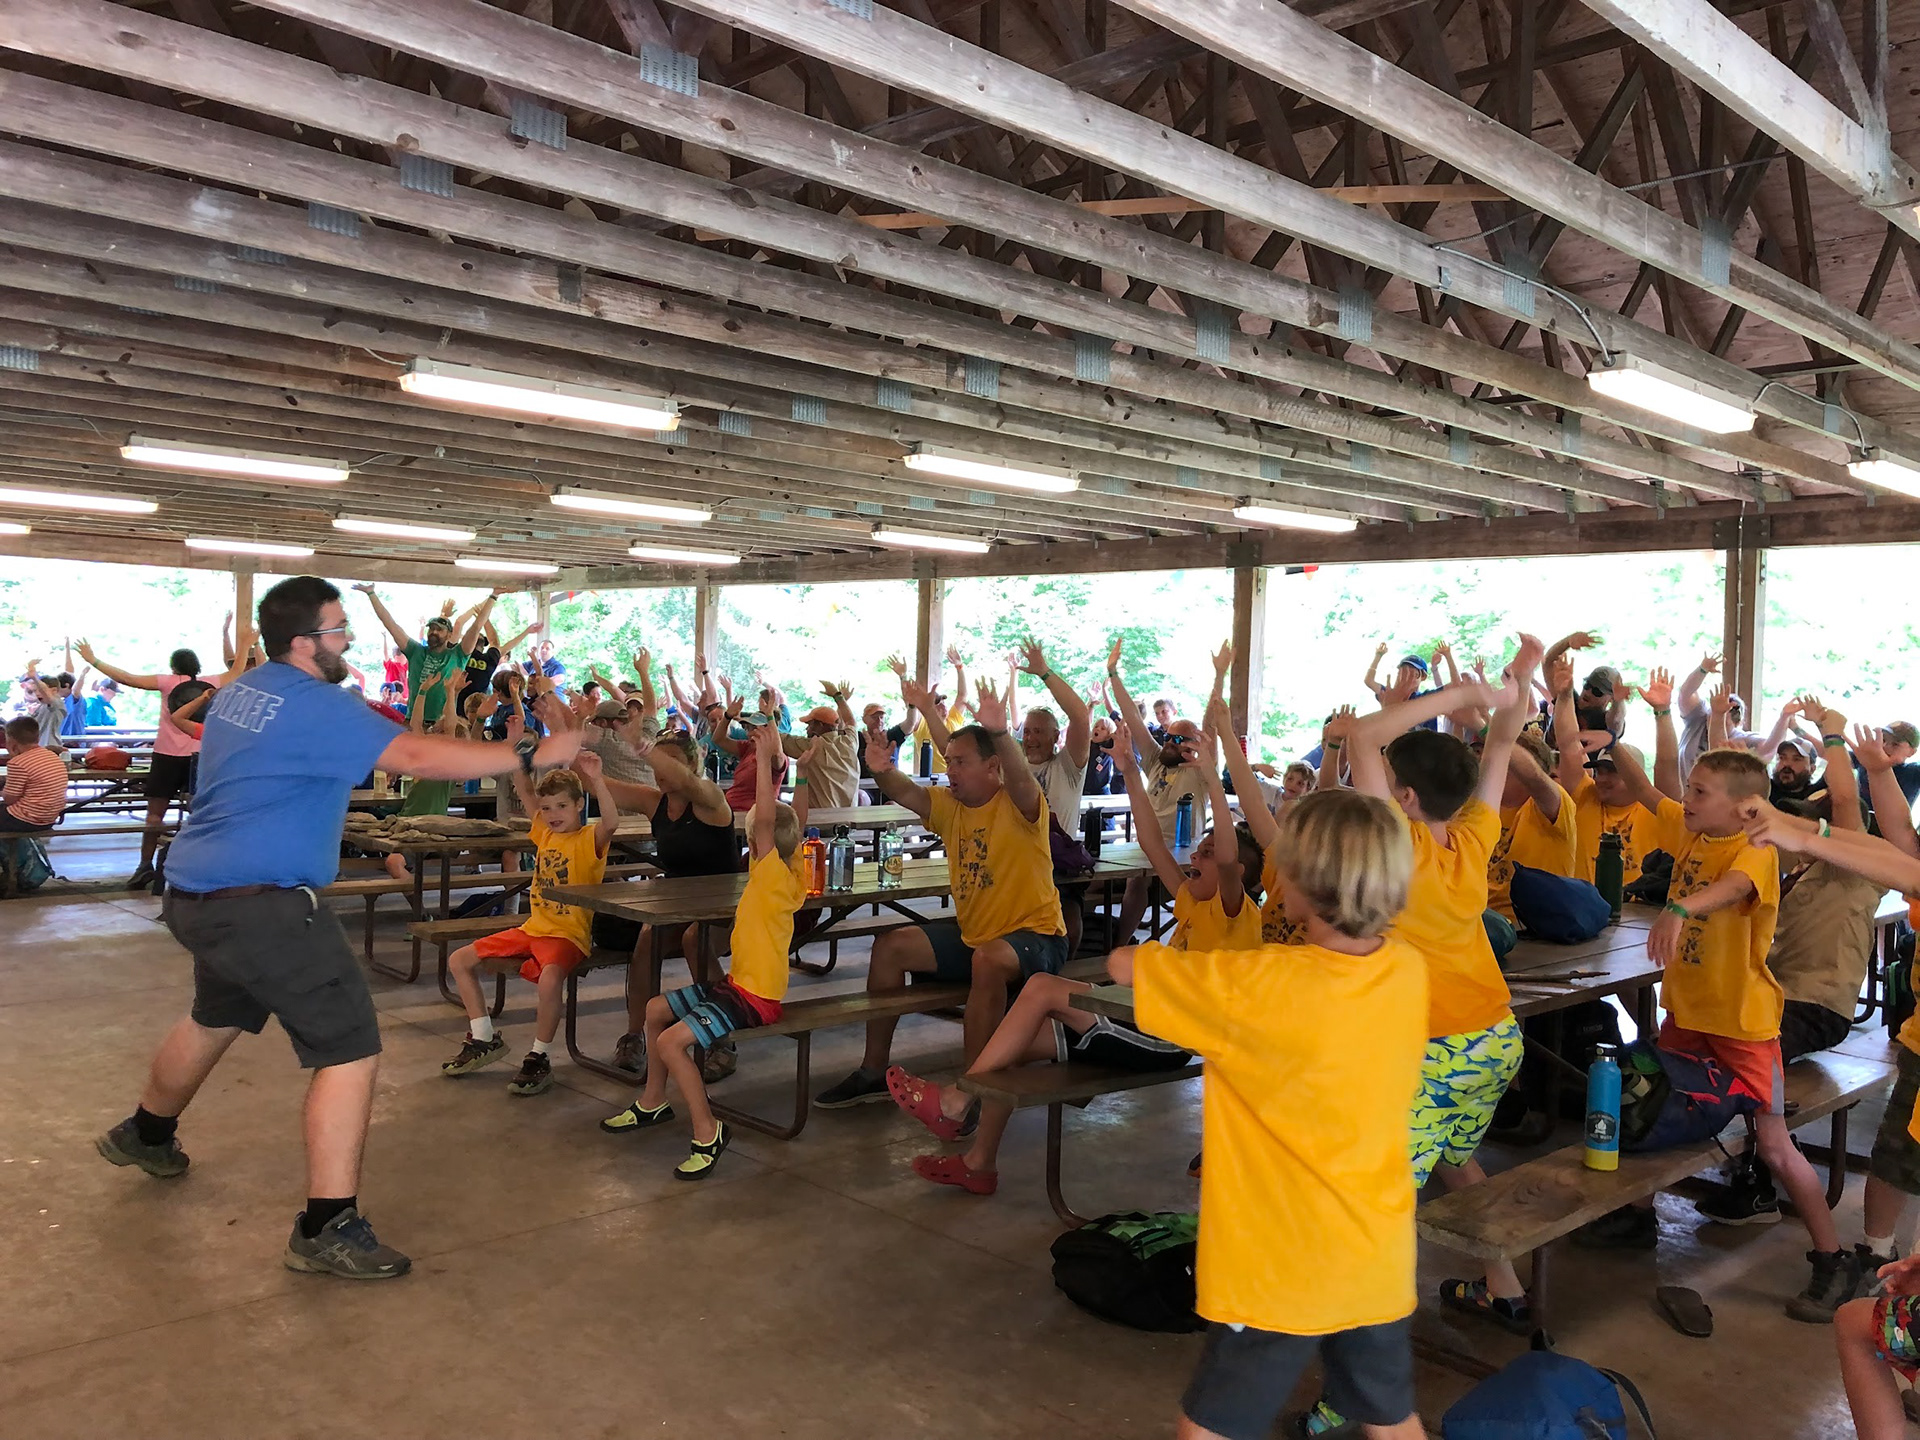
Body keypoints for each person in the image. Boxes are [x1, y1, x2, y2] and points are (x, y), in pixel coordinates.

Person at [94, 575, 582, 1280]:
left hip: (199, 891)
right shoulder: (317, 704)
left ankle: (146, 1132)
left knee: (216, 1015)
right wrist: (535, 753)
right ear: (303, 642)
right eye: (337, 628)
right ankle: (327, 1225)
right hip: (263, 904)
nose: (347, 639)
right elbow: (414, 754)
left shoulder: (241, 692)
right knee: (349, 1047)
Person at [1106, 789, 1428, 1440]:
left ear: (1298, 886)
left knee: (1211, 1429)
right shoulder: (1409, 970)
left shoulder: (1255, 984)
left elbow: (1124, 965)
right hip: (1376, 1251)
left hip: (1280, 1264)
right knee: (1390, 1419)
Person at [1573, 683, 1854, 1319]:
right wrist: (1654, 715)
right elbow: (1651, 787)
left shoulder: (1753, 848)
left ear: (1744, 807)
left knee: (1777, 1146)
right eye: (1692, 790)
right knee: (1652, 1108)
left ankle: (1833, 1259)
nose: (1688, 799)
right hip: (1689, 1016)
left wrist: (1679, 905)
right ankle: (1637, 1216)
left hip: (1744, 1026)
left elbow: (1731, 890)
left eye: (1701, 792)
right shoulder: (1696, 831)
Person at [887, 712, 1254, 1194]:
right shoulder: (1190, 899)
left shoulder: (1232, 909)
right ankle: (978, 1162)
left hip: (1174, 1036)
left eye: (1207, 853)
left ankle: (957, 1100)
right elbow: (1150, 840)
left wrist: (1211, 774)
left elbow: (1227, 855)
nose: (1198, 856)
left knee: (1041, 987)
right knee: (1005, 1047)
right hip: (1141, 1020)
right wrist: (1125, 770)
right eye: (1200, 850)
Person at [1339, 637, 1541, 1344]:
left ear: (1403, 798)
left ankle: (1365, 1348)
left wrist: (1465, 698)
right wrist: (1518, 685)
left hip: (1438, 1048)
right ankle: (1505, 1288)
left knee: (1383, 1198)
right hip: (1494, 1037)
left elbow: (1362, 735)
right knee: (1456, 1161)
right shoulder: (1472, 834)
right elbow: (1498, 752)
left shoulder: (1400, 845)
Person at [814, 682, 1067, 1109]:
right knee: (890, 946)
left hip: (1037, 937)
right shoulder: (950, 806)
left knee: (988, 960)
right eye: (949, 762)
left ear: (992, 766)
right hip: (977, 938)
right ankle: (873, 1070)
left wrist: (1002, 734)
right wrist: (879, 768)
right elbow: (905, 791)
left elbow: (1021, 777)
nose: (950, 771)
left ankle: (972, 1092)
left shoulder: (1021, 804)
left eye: (960, 763)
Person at [599, 733, 820, 1176]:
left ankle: (707, 1130)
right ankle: (653, 1101)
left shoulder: (773, 873)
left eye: (754, 835)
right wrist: (804, 770)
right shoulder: (790, 868)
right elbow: (797, 815)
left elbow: (769, 821)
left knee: (668, 1041)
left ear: (759, 845)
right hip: (739, 986)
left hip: (755, 999)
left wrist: (764, 764)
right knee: (656, 1009)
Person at [1702, 700, 1881, 1227]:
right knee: (1700, 1038)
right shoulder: (1791, 873)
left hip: (1817, 1005)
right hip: (1778, 999)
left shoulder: (1853, 871)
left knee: (1746, 1056)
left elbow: (1846, 802)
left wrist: (1832, 737)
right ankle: (1751, 1156)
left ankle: (1759, 1179)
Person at [441, 751, 617, 1097]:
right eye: (548, 808)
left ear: (579, 805)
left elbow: (611, 823)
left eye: (562, 807)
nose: (553, 815)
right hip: (533, 928)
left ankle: (540, 1055)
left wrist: (597, 778)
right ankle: (483, 1036)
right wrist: (512, 754)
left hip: (567, 934)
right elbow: (525, 792)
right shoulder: (545, 834)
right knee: (459, 959)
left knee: (551, 978)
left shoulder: (589, 840)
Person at [598, 727, 742, 1076]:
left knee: (696, 940)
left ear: (693, 764)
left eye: (670, 762)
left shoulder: (709, 797)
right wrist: (571, 746)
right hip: (678, 901)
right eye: (656, 763)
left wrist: (648, 750)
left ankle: (722, 1038)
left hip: (727, 903)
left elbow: (689, 783)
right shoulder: (654, 801)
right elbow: (598, 785)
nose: (661, 771)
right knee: (647, 939)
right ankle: (634, 1037)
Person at [77, 631, 254, 889]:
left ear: (174, 666)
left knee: (154, 816)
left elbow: (127, 678)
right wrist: (248, 643)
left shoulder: (166, 681)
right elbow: (237, 671)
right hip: (199, 756)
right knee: (200, 813)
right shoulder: (209, 682)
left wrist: (94, 661)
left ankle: (144, 866)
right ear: (197, 667)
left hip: (167, 755)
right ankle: (199, 865)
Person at [1107, 638, 1206, 942]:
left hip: (1184, 852)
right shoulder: (1155, 759)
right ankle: (1119, 944)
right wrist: (1113, 674)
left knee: (1178, 889)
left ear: (1194, 745)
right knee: (1129, 882)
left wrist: (1218, 678)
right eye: (1168, 736)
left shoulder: (1201, 772)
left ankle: (1187, 941)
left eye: (1179, 740)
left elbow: (1214, 727)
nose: (1169, 742)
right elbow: (1133, 719)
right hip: (1148, 845)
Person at [1547, 657, 1662, 887]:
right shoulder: (1585, 796)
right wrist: (1565, 695)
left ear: (1635, 777)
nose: (1602, 779)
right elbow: (1569, 745)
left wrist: (1661, 711)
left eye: (1612, 772)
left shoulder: (1656, 812)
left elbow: (1666, 762)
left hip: (1638, 911)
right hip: (1584, 910)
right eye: (1599, 771)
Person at [356, 583, 501, 728]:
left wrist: (493, 596)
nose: (434, 632)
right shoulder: (415, 651)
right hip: (413, 721)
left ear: (450, 634)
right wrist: (371, 594)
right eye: (431, 629)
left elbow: (476, 627)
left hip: (442, 724)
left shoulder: (458, 655)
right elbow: (390, 624)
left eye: (439, 630)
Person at [1485, 725, 1577, 921]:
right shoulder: (1483, 808)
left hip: (1530, 926)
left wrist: (1487, 729)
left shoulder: (1552, 805)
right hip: (1481, 920)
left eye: (1504, 762)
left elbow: (1534, 776)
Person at [781, 687, 860, 809]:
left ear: (820, 725)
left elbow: (779, 739)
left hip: (819, 820)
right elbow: (851, 721)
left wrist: (769, 717)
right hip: (849, 817)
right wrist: (838, 697)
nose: (807, 729)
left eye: (810, 725)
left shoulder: (812, 745)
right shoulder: (850, 742)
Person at [0, 713, 66, 832]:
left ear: (12, 743)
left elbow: (9, 799)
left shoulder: (18, 763)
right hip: (49, 819)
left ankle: (8, 850)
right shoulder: (51, 755)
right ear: (38, 738)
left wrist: (3, 791)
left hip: (26, 820)